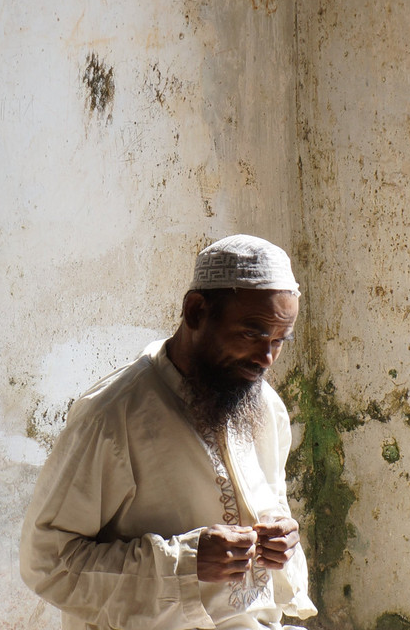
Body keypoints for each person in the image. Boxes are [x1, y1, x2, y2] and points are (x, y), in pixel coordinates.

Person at [20, 234, 318, 630]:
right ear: (195, 311)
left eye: (280, 340)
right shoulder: (112, 416)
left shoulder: (263, 404)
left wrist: (283, 541)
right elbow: (46, 564)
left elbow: (272, 505)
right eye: (251, 334)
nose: (266, 358)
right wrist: (186, 562)